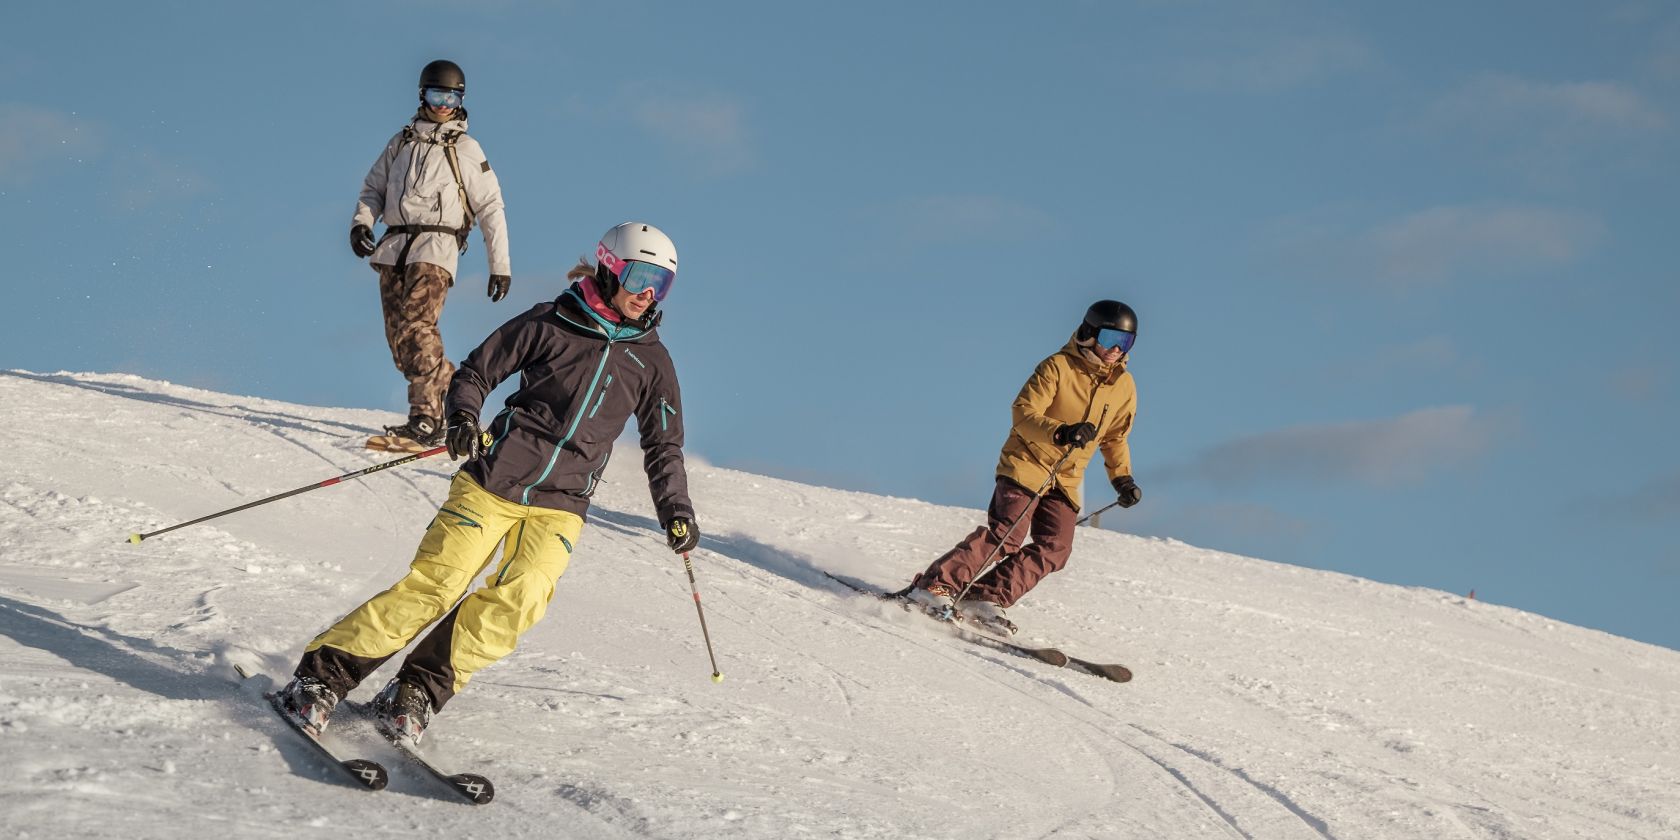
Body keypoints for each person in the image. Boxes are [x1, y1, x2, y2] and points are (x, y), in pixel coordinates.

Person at [276, 222, 697, 743]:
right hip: (494, 480)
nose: (649, 293)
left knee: (520, 602)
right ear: (611, 268)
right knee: (438, 585)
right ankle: (320, 681)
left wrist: (676, 510)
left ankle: (415, 692)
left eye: (664, 283)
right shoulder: (552, 321)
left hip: (562, 504)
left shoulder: (651, 360)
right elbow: (476, 372)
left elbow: (663, 444)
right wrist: (463, 417)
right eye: (641, 276)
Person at [906, 300, 1142, 636]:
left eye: (1126, 343)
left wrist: (1122, 479)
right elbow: (1023, 412)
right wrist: (1061, 431)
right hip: (1028, 461)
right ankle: (935, 587)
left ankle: (984, 596)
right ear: (1090, 334)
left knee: (1056, 548)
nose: (1116, 350)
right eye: (1109, 339)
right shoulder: (1057, 367)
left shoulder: (1124, 386)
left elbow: (1116, 438)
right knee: (1008, 536)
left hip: (1066, 477)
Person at [351, 59, 513, 448]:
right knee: (400, 342)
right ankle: (449, 388)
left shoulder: (466, 149)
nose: (443, 105)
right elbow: (372, 188)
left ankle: (426, 416)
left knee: (416, 325)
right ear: (422, 95)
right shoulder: (401, 142)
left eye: (452, 97)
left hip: (436, 247)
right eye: (437, 95)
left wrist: (499, 266)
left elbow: (491, 207)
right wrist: (361, 223)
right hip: (394, 247)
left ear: (461, 100)